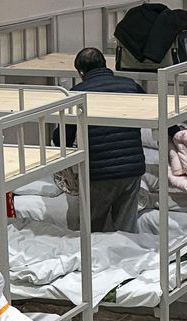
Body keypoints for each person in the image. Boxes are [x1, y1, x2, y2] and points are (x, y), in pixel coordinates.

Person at [57, 47, 147, 232]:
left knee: (93, 231)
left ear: (81, 72)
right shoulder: (130, 85)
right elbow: (157, 110)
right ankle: (128, 259)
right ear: (106, 65)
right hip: (132, 169)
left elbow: (63, 140)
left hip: (98, 173)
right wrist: (176, 133)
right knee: (127, 229)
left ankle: (95, 261)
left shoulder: (76, 94)